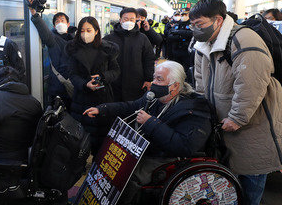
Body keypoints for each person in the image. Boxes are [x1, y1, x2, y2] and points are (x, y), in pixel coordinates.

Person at [190, 0, 282, 205]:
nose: (195, 28)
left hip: (254, 117)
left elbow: (251, 83)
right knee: (235, 162)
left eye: (199, 23)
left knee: (254, 167)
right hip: (223, 115)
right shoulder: (204, 41)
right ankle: (234, 202)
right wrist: (201, 106)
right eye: (192, 24)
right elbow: (199, 78)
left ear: (218, 20)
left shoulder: (244, 39)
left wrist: (237, 117)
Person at [84, 60, 212, 192]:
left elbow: (185, 146)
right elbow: (131, 107)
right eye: (154, 78)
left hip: (167, 158)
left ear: (174, 86)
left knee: (125, 176)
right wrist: (102, 109)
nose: (153, 83)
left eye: (159, 79)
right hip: (148, 150)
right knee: (107, 163)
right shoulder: (154, 97)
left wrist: (150, 122)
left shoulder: (194, 110)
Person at [65, 16, 120, 153]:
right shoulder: (73, 48)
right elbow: (72, 74)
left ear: (96, 31)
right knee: (80, 135)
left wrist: (103, 77)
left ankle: (97, 160)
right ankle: (80, 163)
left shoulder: (108, 49)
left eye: (89, 30)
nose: (85, 33)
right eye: (82, 30)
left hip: (103, 97)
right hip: (81, 98)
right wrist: (85, 84)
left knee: (101, 136)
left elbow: (116, 71)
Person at [28, 0, 76, 106]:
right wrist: (34, 13)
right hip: (57, 87)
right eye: (57, 21)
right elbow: (44, 31)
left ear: (68, 24)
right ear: (54, 26)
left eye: (62, 20)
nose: (60, 23)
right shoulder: (52, 39)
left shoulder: (75, 40)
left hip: (74, 84)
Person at [103, 7, 154, 102]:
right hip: (113, 83)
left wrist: (148, 79)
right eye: (126, 19)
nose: (129, 21)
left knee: (132, 109)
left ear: (136, 21)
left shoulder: (142, 38)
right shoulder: (109, 39)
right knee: (113, 108)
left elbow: (149, 59)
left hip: (136, 83)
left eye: (132, 19)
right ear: (120, 20)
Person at [165, 8, 194, 74]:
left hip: (187, 52)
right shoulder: (176, 25)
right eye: (182, 15)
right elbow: (169, 36)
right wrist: (181, 36)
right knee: (176, 70)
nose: (183, 16)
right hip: (176, 51)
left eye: (185, 15)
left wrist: (178, 32)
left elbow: (192, 34)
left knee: (186, 70)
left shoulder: (192, 24)